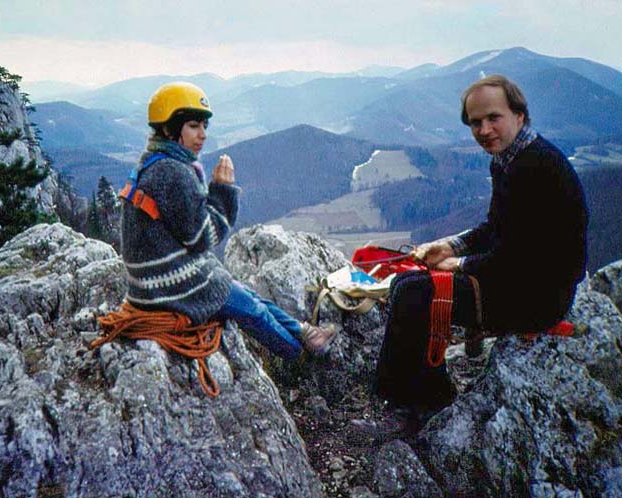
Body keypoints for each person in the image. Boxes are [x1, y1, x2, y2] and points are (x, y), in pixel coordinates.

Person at [372, 74, 588, 430]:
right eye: (476, 122)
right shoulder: (510, 159)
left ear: (519, 116)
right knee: (406, 285)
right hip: (523, 282)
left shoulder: (537, 168)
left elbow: (518, 259)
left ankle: (420, 402)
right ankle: (418, 391)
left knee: (414, 294)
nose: (484, 129)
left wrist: (458, 265)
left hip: (538, 295)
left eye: (493, 118)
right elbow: (495, 227)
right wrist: (450, 245)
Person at [118, 81, 335, 362]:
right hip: (170, 285)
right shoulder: (173, 173)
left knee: (246, 293)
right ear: (171, 129)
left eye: (204, 127)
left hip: (154, 279)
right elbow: (203, 238)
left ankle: (306, 333)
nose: (203, 135)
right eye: (194, 126)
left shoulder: (156, 162)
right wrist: (223, 193)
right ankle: (300, 358)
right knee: (251, 309)